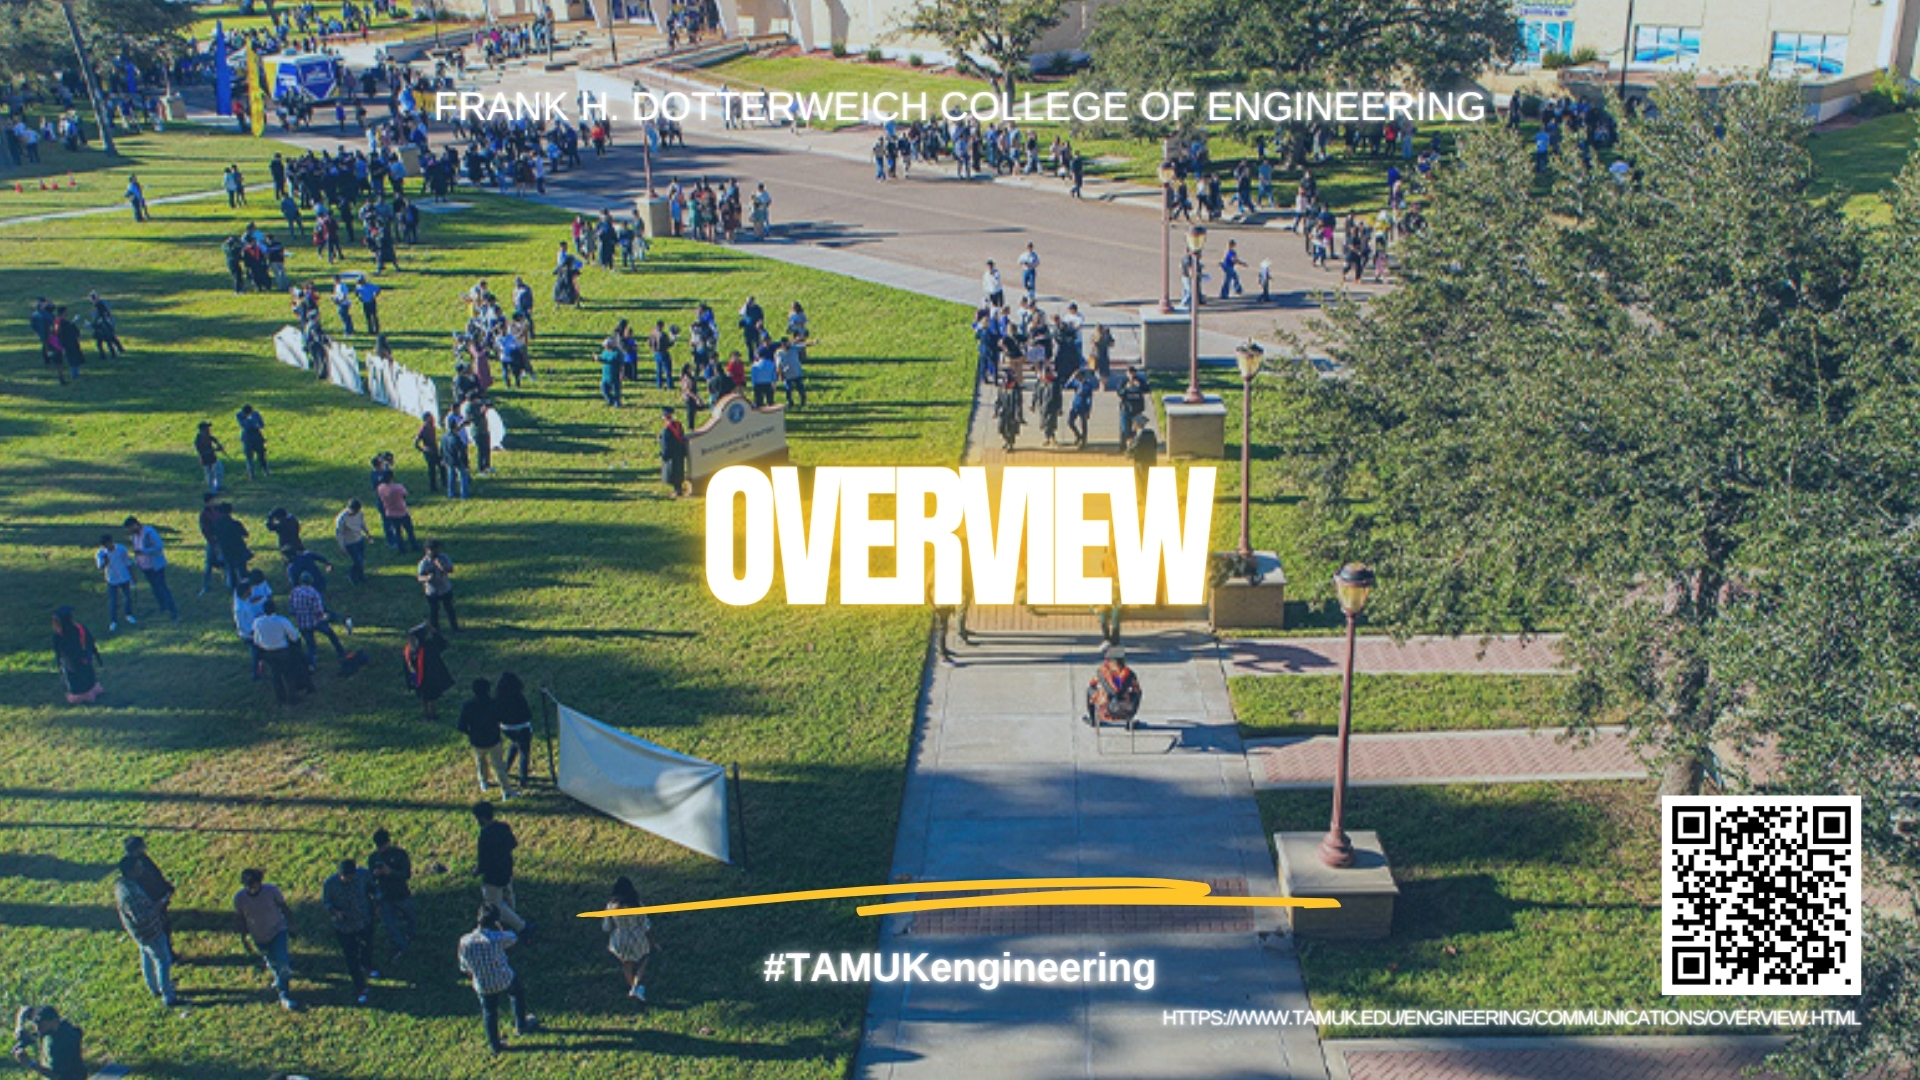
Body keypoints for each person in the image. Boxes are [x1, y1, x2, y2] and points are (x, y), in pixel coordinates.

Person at [457, 906, 538, 1055]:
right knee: (517, 992)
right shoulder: (497, 938)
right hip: (503, 978)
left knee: (489, 1012)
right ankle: (521, 1024)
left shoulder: (465, 942)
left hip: (483, 984)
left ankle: (495, 1045)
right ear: (495, 922)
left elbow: (464, 966)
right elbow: (513, 938)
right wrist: (500, 928)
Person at [114, 855, 180, 1007]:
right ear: (130, 871)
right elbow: (143, 917)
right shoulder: (131, 896)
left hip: (139, 935)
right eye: (138, 867)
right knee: (163, 961)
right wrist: (161, 903)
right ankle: (168, 996)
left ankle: (154, 987)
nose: (141, 869)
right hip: (150, 932)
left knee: (147, 956)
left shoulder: (122, 885)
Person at [233, 868, 299, 1011]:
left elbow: (284, 907)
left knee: (283, 962)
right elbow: (241, 919)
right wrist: (244, 937)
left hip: (277, 931)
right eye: (250, 886)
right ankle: (279, 978)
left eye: (255, 885)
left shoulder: (271, 891)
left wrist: (292, 925)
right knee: (271, 961)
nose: (253, 889)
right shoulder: (240, 899)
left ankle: (284, 994)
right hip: (259, 936)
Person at [322, 858, 378, 1004]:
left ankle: (367, 964)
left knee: (367, 945)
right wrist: (336, 912)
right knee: (351, 956)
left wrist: (376, 905)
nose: (347, 880)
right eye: (344, 877)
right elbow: (326, 902)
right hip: (344, 927)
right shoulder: (330, 884)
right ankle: (360, 986)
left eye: (349, 876)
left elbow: (373, 889)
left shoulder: (363, 875)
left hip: (363, 921)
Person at [473, 801, 532, 935]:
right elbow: (513, 843)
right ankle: (510, 920)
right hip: (506, 868)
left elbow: (483, 861)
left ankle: (520, 926)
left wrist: (477, 871)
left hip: (492, 876)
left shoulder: (485, 835)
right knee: (508, 895)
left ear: (481, 818)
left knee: (495, 904)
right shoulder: (504, 827)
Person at [603, 876, 656, 1002]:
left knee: (627, 963)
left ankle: (633, 987)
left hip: (620, 938)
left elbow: (607, 926)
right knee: (645, 957)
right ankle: (636, 987)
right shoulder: (637, 904)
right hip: (636, 936)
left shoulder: (611, 906)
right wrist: (653, 942)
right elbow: (645, 925)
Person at [459, 678, 514, 797]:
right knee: (499, 766)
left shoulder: (468, 706)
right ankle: (506, 791)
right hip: (493, 739)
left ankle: (483, 781)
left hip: (477, 741)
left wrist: (471, 733)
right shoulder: (494, 703)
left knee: (481, 762)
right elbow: (502, 718)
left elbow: (461, 726)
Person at [368, 828, 415, 962]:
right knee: (390, 925)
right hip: (385, 896)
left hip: (401, 893)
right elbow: (371, 879)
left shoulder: (400, 854)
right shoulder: (373, 858)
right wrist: (375, 874)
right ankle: (402, 946)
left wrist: (390, 872)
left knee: (410, 917)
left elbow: (406, 874)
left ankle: (410, 936)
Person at [252, 599, 310, 704]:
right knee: (289, 674)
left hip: (268, 652)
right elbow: (294, 636)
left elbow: (256, 640)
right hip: (283, 651)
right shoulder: (282, 621)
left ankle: (280, 698)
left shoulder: (257, 622)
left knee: (275, 675)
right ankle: (293, 697)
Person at [124, 516, 179, 621]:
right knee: (155, 588)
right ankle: (163, 606)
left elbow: (159, 546)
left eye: (131, 528)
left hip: (155, 566)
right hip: (145, 567)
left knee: (162, 587)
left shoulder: (149, 532)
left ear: (136, 524)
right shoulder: (135, 536)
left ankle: (173, 610)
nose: (131, 531)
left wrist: (144, 551)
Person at [10, 1005, 84, 1080]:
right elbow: (25, 1010)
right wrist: (19, 1027)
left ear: (53, 1021)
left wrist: (30, 1063)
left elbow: (57, 1076)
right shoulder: (58, 1027)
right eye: (36, 1023)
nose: (37, 1027)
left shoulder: (64, 1044)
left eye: (40, 1024)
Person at [404, 623, 454, 720]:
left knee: (427, 697)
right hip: (425, 677)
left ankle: (428, 714)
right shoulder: (427, 647)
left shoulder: (414, 649)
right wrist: (435, 633)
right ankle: (430, 714)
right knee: (428, 697)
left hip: (422, 677)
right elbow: (443, 645)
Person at [496, 672, 536, 789]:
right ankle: (523, 778)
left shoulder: (499, 699)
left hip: (507, 728)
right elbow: (528, 714)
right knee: (524, 752)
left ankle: (506, 768)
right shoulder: (519, 698)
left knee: (515, 744)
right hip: (522, 728)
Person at [1085, 645, 1141, 726]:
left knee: (1090, 690)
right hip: (1124, 711)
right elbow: (1137, 689)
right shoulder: (1129, 673)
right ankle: (1129, 721)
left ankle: (1093, 720)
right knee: (1137, 693)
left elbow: (1092, 683)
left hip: (1105, 711)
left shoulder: (1103, 671)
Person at [94, 533, 137, 632]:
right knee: (113, 601)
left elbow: (128, 562)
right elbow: (100, 566)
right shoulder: (101, 553)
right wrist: (106, 561)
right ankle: (114, 621)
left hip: (124, 577)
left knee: (127, 597)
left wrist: (132, 576)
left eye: (108, 544)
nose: (107, 547)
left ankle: (128, 615)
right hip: (112, 579)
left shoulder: (121, 549)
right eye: (104, 545)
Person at [418, 540, 458, 631]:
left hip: (445, 588)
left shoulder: (444, 558)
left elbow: (451, 569)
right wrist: (427, 578)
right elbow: (419, 577)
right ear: (427, 550)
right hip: (432, 591)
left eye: (437, 549)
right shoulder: (423, 563)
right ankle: (435, 629)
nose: (436, 552)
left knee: (449, 608)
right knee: (434, 611)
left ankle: (454, 627)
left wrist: (442, 567)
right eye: (433, 550)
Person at [376, 475, 420, 552]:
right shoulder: (398, 487)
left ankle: (401, 548)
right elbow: (405, 495)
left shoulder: (380, 488)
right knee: (409, 530)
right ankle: (414, 545)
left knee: (397, 532)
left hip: (390, 512)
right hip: (401, 511)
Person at [335, 499, 370, 585]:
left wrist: (367, 533)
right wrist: (342, 546)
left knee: (361, 559)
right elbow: (339, 533)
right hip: (350, 543)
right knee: (357, 561)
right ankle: (352, 577)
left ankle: (361, 576)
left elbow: (362, 524)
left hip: (359, 539)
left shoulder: (359, 514)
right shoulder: (342, 518)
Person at [659, 409, 688, 498]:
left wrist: (664, 455)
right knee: (679, 472)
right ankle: (678, 489)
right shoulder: (678, 425)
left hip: (671, 455)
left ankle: (677, 491)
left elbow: (666, 445)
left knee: (673, 473)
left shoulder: (666, 430)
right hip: (679, 452)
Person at [994, 371, 1024, 452]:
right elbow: (998, 401)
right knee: (1002, 428)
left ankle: (1010, 444)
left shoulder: (1016, 391)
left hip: (1012, 413)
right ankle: (1006, 440)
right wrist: (996, 410)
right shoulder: (1002, 389)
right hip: (1003, 413)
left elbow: (1018, 404)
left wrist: (1018, 415)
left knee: (1010, 430)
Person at [237, 404, 269, 479]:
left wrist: (255, 424)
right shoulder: (239, 415)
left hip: (256, 435)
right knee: (249, 456)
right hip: (247, 436)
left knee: (261, 455)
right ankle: (251, 473)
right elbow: (244, 425)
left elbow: (261, 425)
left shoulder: (256, 414)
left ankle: (265, 471)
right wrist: (249, 420)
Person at [194, 421, 226, 494]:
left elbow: (213, 439)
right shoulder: (198, 439)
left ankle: (218, 485)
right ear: (202, 429)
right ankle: (212, 489)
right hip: (205, 459)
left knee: (219, 470)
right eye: (207, 428)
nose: (209, 429)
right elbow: (202, 452)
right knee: (209, 473)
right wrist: (215, 449)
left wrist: (218, 443)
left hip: (212, 457)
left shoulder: (207, 436)